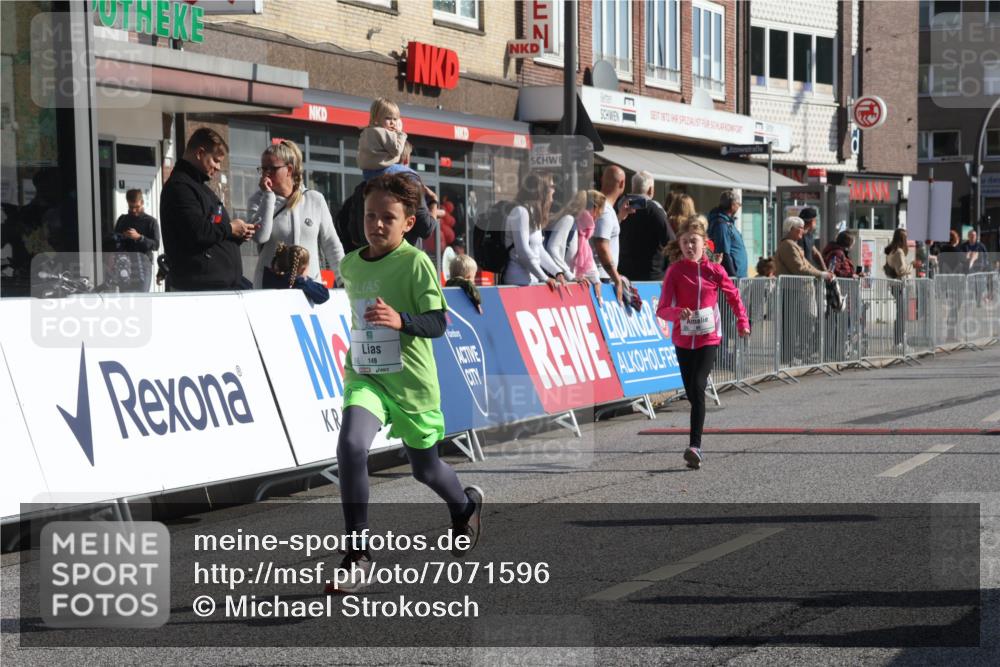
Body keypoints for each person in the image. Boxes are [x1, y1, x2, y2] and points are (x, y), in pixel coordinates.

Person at [328, 173, 484, 593]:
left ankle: (464, 506)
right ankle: (357, 553)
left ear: (408, 223)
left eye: (387, 218)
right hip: (366, 375)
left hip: (412, 384)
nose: (377, 225)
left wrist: (401, 320)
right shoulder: (351, 263)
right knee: (351, 445)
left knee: (425, 469)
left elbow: (438, 322)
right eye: (370, 216)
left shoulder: (417, 264)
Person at [656, 215, 750, 470]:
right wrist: (678, 313)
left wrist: (743, 322)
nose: (689, 247)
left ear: (704, 243)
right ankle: (695, 444)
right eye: (685, 242)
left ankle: (695, 446)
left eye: (694, 242)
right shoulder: (675, 271)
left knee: (698, 387)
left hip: (709, 337)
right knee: (691, 392)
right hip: (683, 340)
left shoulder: (714, 270)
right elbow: (662, 309)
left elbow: (733, 295)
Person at [160, 128, 255, 291]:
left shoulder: (199, 187)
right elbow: (198, 232)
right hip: (201, 289)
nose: (218, 167)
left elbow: (211, 234)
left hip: (218, 285)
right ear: (200, 153)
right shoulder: (180, 187)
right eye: (216, 160)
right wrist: (231, 228)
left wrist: (236, 235)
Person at [336, 101, 437, 254]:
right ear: (405, 160)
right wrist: (434, 202)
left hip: (372, 262)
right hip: (401, 260)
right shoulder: (409, 183)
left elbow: (352, 233)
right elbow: (426, 228)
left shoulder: (362, 189)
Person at [248, 140, 344, 288]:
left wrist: (343, 281)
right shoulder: (257, 200)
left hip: (309, 288)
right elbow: (260, 237)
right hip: (271, 288)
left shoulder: (314, 199)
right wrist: (268, 196)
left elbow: (331, 244)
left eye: (272, 169)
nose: (266, 174)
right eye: (263, 169)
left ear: (289, 170)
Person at [774, 216, 835, 365]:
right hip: (791, 289)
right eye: (799, 228)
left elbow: (807, 265)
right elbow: (799, 268)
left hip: (797, 289)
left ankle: (797, 353)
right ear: (791, 230)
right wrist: (821, 274)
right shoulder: (788, 245)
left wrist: (822, 273)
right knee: (792, 324)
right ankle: (790, 356)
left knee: (802, 321)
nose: (802, 230)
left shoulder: (793, 245)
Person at [502, 172, 565, 289]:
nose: (554, 190)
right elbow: (522, 251)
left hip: (532, 279)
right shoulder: (520, 212)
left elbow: (539, 249)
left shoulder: (534, 214)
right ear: (541, 190)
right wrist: (544, 277)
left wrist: (557, 272)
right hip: (518, 281)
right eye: (552, 186)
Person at [618, 170, 674, 282]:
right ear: (651, 190)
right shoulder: (654, 209)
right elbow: (670, 241)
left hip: (622, 275)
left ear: (633, 187)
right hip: (650, 276)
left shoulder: (619, 206)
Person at [594, 165, 634, 304]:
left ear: (601, 180)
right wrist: (616, 278)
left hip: (601, 275)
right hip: (601, 277)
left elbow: (604, 234)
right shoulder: (605, 210)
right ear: (622, 184)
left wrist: (620, 217)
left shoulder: (604, 208)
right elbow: (601, 246)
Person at [110, 188, 160, 291]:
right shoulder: (123, 220)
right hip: (124, 264)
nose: (133, 210)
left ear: (142, 203)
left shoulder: (150, 222)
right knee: (126, 300)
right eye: (130, 207)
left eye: (136, 207)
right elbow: (114, 242)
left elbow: (156, 245)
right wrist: (121, 236)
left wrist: (139, 237)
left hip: (143, 265)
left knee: (141, 299)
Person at [261, 242, 330, 304]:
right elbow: (324, 295)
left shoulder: (270, 278)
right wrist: (304, 280)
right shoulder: (299, 283)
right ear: (303, 270)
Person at [543, 190, 586, 280]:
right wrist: (567, 274)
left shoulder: (575, 224)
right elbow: (552, 248)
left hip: (560, 276)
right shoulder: (568, 219)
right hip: (555, 276)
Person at [707, 190, 748, 279]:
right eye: (739, 204)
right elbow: (724, 254)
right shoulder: (722, 225)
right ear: (733, 205)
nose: (739, 207)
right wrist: (733, 278)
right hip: (734, 278)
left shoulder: (727, 223)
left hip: (739, 277)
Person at [884, 228, 912, 348]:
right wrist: (912, 265)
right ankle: (899, 342)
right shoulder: (899, 252)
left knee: (900, 314)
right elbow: (900, 270)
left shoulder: (892, 251)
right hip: (900, 285)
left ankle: (898, 342)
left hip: (895, 285)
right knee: (901, 315)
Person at [574, 190, 606, 290]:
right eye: (601, 211)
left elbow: (589, 261)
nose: (600, 215)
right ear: (595, 209)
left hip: (574, 283)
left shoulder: (585, 231)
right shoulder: (574, 225)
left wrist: (596, 281)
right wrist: (572, 277)